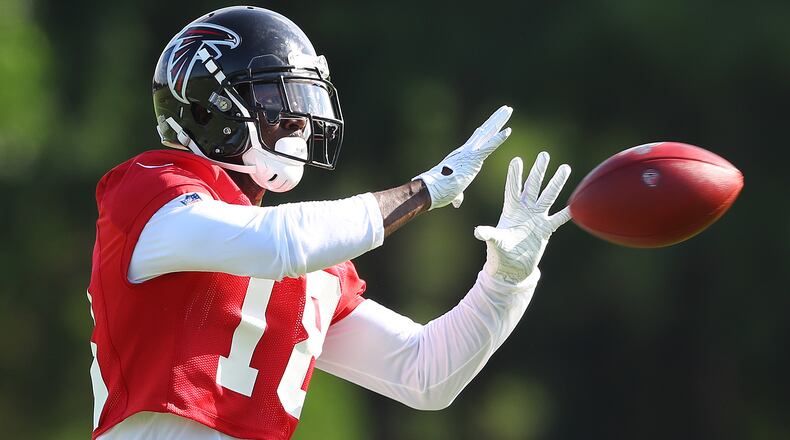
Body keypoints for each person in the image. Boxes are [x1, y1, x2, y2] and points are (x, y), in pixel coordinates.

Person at [87, 6, 572, 440]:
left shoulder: (313, 259)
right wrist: (423, 190)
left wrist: (508, 280)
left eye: (302, 96)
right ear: (205, 109)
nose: (299, 119)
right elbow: (282, 243)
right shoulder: (152, 193)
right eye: (276, 97)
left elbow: (426, 375)